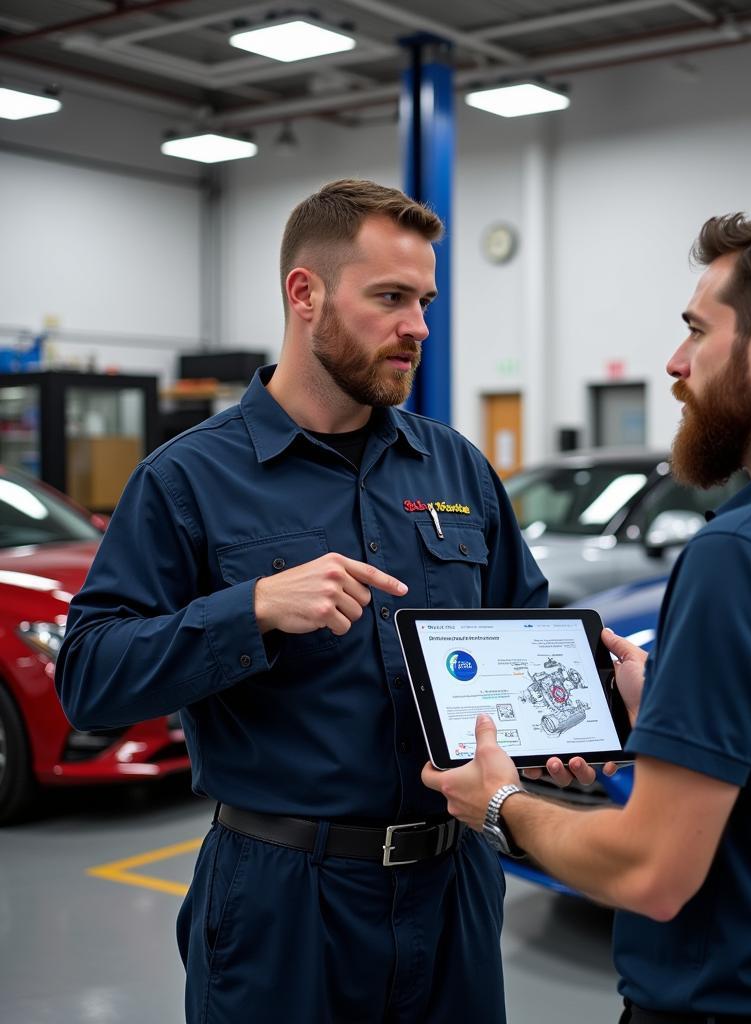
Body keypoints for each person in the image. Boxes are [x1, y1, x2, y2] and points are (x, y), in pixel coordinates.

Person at [424, 209, 751, 1024]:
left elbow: (651, 873)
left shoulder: (741, 553)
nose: (675, 364)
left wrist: (501, 804)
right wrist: (668, 705)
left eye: (696, 331)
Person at [55, 178, 547, 1024]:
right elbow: (91, 677)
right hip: (285, 903)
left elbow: (527, 637)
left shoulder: (456, 469)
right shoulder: (188, 480)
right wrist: (248, 609)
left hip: (453, 887)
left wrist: (562, 734)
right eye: (391, 298)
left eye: (425, 301)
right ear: (304, 293)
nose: (418, 327)